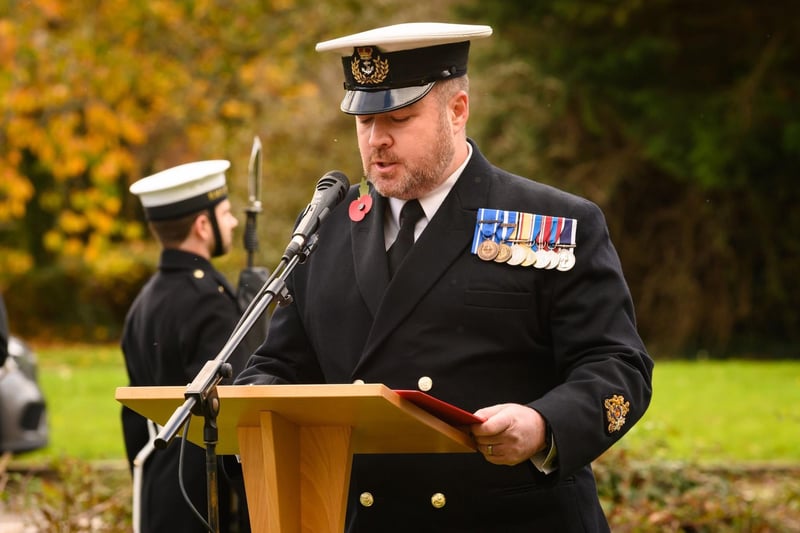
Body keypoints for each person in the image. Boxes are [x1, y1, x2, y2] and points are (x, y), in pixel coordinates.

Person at [235, 22, 654, 532]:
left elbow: (619, 367)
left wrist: (544, 425)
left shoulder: (552, 223)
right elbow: (279, 365)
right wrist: (252, 412)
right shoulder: (326, 228)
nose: (376, 140)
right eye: (364, 122)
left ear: (457, 112)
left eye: (399, 118)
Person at [122, 160, 250, 532]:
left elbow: (132, 420)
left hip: (158, 491)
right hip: (201, 500)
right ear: (202, 225)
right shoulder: (208, 299)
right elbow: (231, 412)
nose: (233, 223)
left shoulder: (144, 300)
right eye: (225, 213)